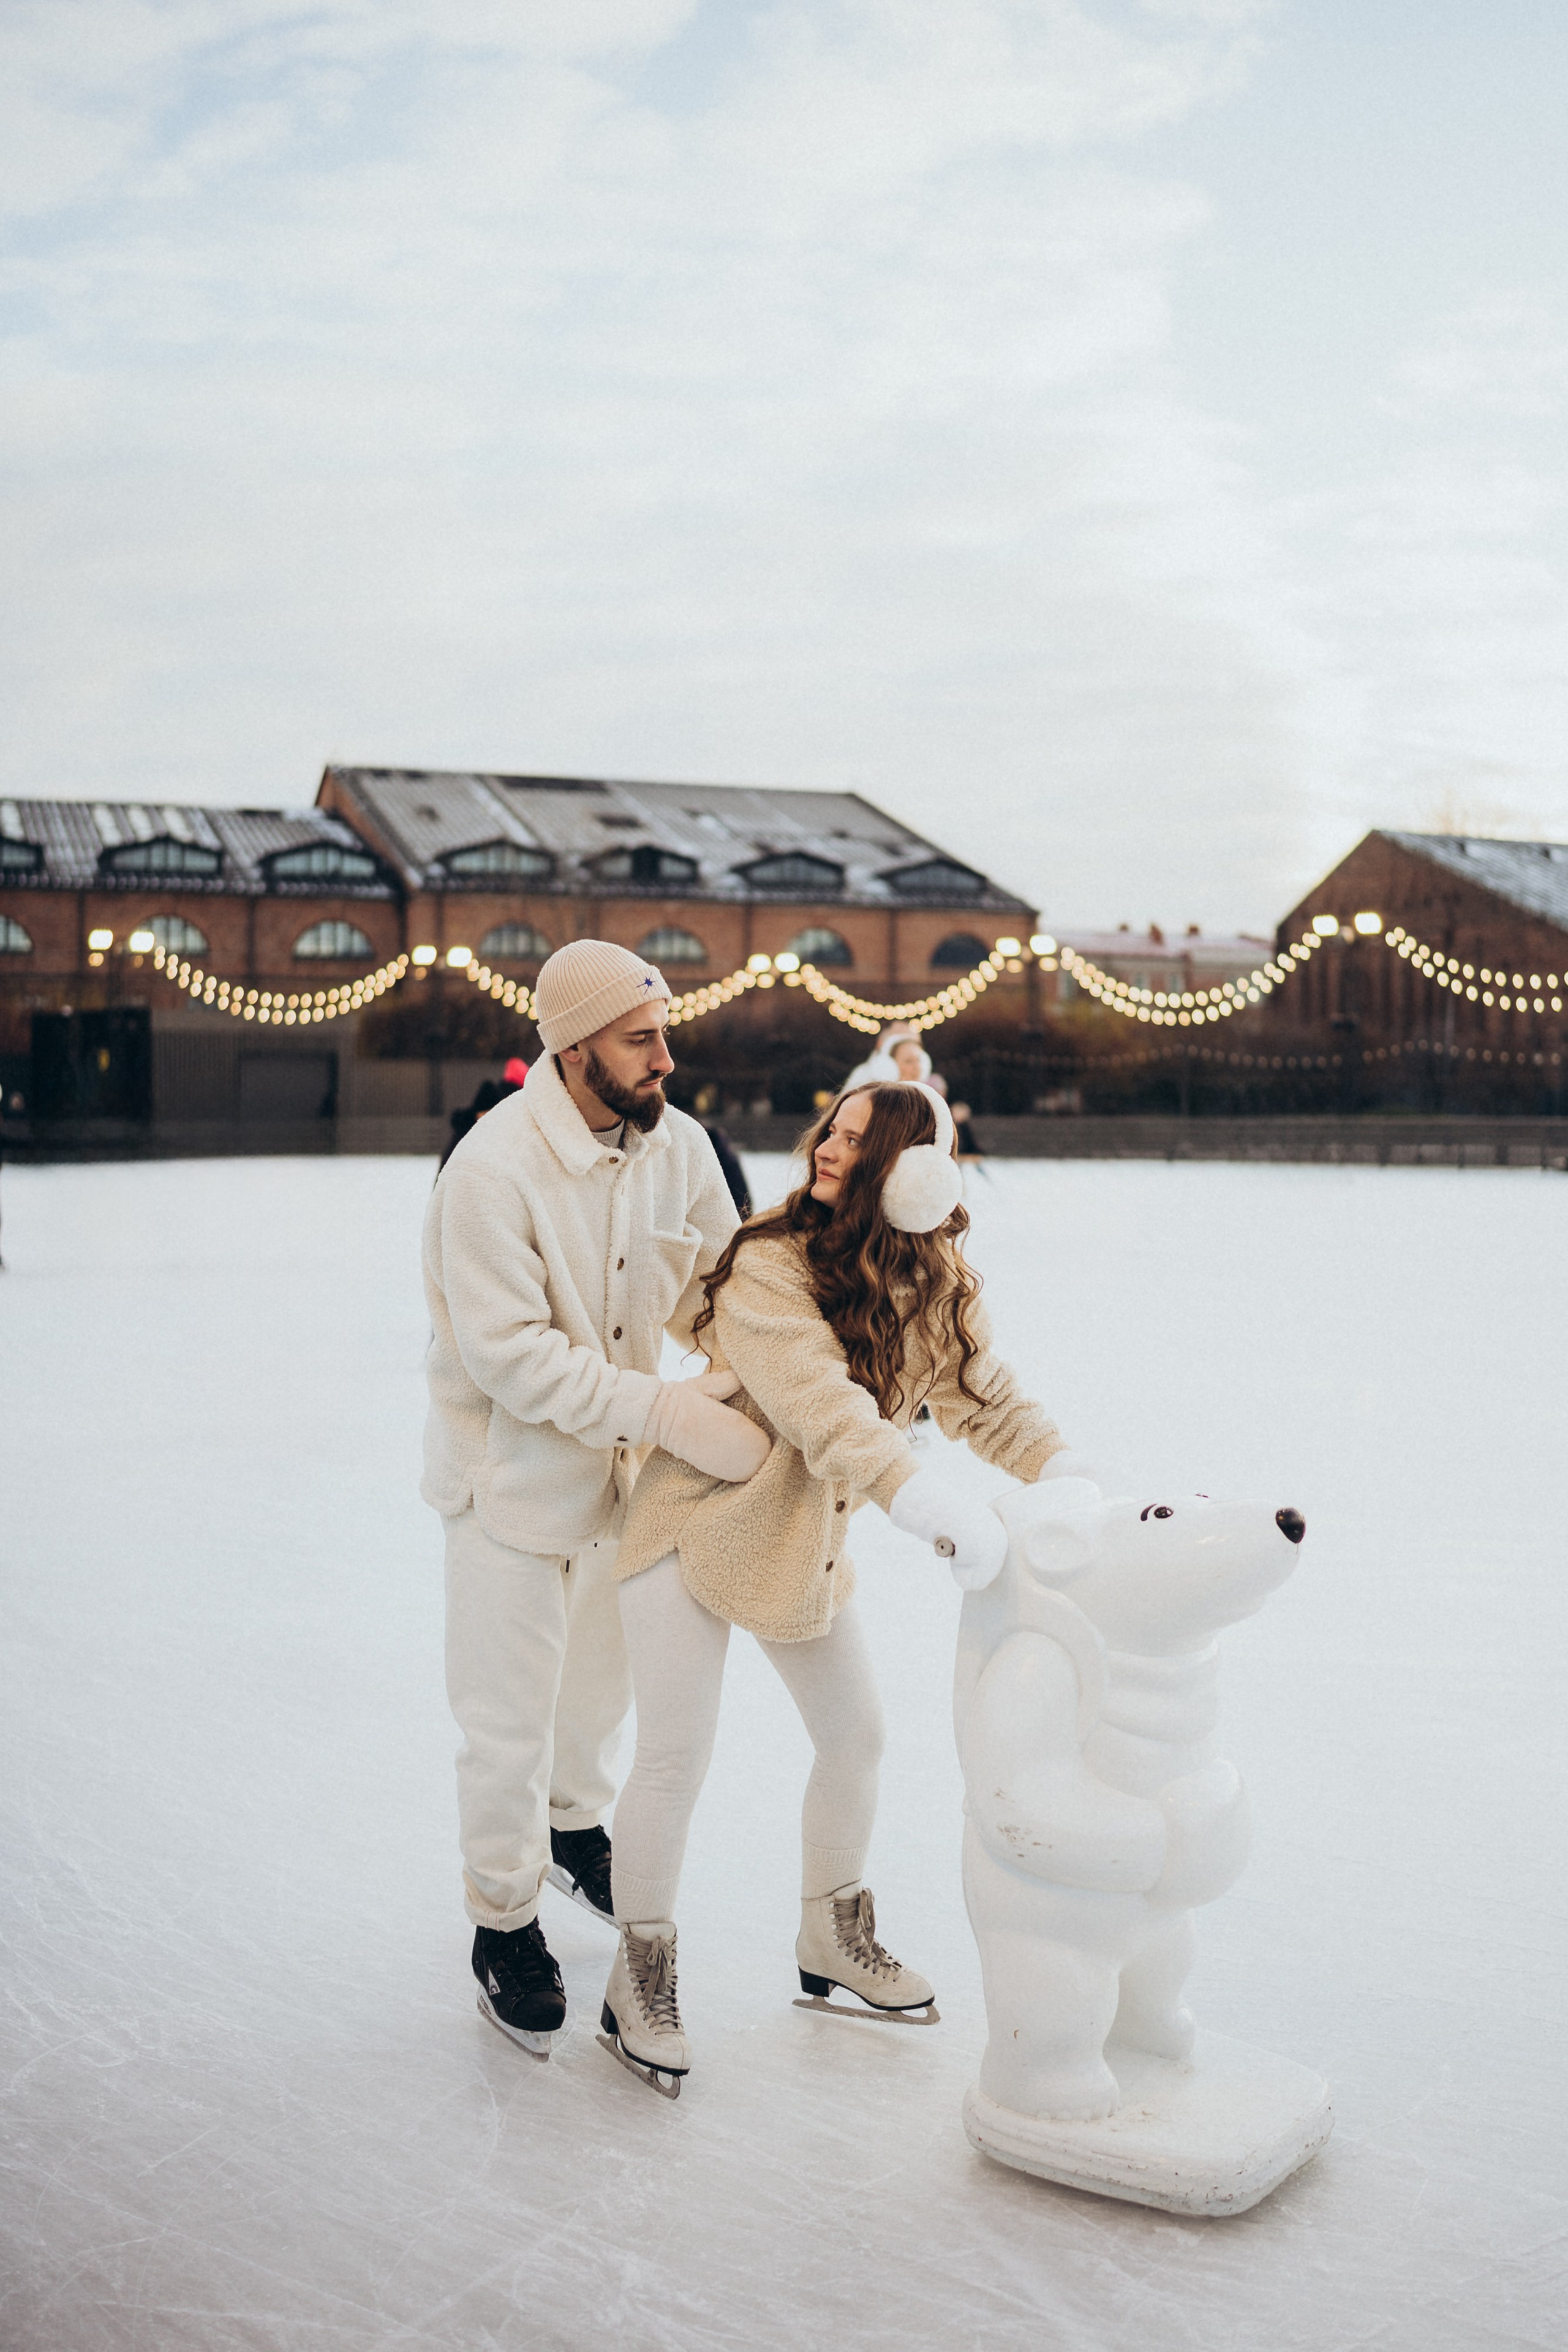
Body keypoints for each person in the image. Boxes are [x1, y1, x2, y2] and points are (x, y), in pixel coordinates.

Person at [595, 1079, 1072, 2095]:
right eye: (832, 1131)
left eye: (859, 1142)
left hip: (795, 1536)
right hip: (691, 1522)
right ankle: (636, 1974)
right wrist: (917, 1496)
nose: (829, 1149)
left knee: (856, 1737)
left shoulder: (935, 1279)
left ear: (910, 1175)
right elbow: (827, 1407)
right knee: (675, 1757)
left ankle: (832, 1935)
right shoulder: (770, 1264)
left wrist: (1070, 1477)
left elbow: (987, 1401)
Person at [421, 940, 769, 2059]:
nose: (666, 1059)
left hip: (621, 1482)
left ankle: (578, 1830)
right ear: (574, 1052)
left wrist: (806, 1368)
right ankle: (504, 1919)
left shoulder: (682, 1150)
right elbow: (513, 1359)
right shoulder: (490, 1173)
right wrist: (669, 1413)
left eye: (665, 1034)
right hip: (510, 1480)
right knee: (507, 1718)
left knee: (602, 1688)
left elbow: (728, 1287)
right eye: (641, 1039)